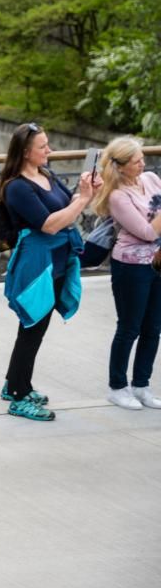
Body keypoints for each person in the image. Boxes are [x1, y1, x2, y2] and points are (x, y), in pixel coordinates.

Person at [0, 123, 99, 421]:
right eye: (43, 146)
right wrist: (81, 200)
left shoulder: (46, 176)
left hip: (58, 259)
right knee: (32, 327)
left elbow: (70, 206)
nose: (49, 150)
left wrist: (86, 193)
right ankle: (17, 395)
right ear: (26, 153)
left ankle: (16, 383)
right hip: (37, 265)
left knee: (34, 329)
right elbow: (50, 223)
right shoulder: (16, 187)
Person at [92, 137, 161, 410]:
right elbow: (146, 232)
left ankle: (141, 385)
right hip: (131, 266)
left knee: (154, 327)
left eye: (142, 158)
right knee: (129, 326)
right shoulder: (117, 196)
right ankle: (117, 386)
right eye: (136, 161)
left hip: (158, 262)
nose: (142, 163)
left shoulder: (151, 179)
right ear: (120, 167)